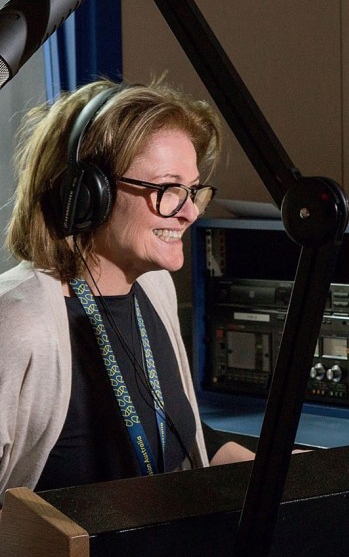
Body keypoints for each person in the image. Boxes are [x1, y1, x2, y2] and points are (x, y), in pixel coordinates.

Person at [0, 79, 255, 498]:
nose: (189, 212)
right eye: (168, 189)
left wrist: (300, 475)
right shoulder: (17, 324)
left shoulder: (155, 289)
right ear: (87, 194)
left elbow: (179, 437)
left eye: (192, 191)